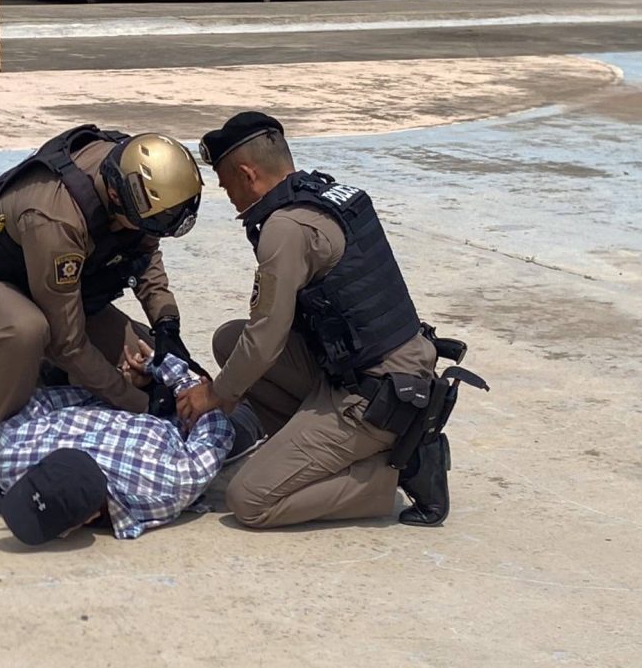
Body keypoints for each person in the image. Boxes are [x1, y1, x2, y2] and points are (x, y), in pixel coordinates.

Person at [177, 112, 485, 530]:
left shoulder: (284, 227)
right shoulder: (323, 195)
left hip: (373, 398)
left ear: (247, 174)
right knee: (231, 340)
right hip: (369, 368)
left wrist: (214, 394)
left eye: (224, 179)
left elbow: (266, 339)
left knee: (249, 500)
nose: (223, 190)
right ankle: (312, 452)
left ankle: (401, 469)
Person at [0, 125, 206, 514]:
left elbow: (146, 252)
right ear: (115, 196)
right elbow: (69, 343)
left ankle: (50, 378)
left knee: (146, 358)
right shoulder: (56, 219)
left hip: (64, 292)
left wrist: (167, 325)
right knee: (26, 331)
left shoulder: (134, 174)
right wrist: (139, 403)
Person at [0, 347, 250, 544]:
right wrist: (182, 382)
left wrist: (124, 389)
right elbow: (214, 435)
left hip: (132, 393)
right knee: (240, 412)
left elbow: (42, 400)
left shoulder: (13, 456)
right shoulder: (165, 485)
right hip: (186, 418)